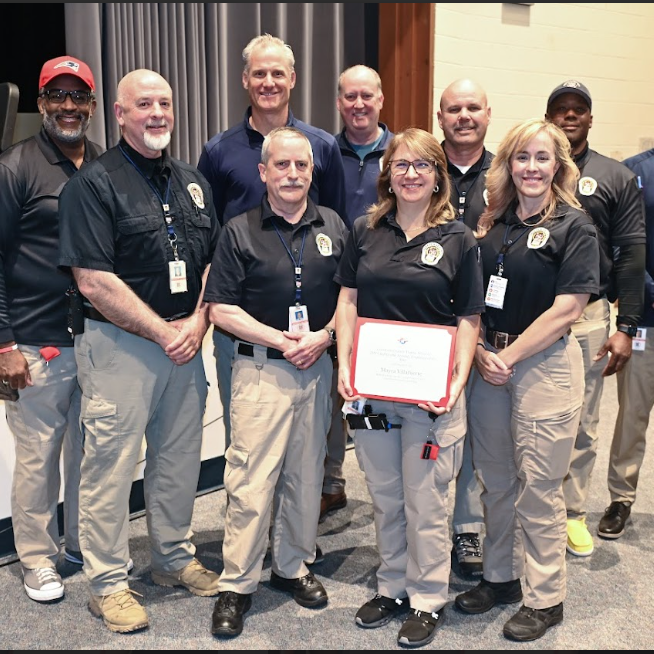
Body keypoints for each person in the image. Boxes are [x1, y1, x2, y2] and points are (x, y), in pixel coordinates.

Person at [57, 69, 221, 633]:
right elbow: (92, 280)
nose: (157, 113)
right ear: (120, 114)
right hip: (121, 346)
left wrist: (197, 322)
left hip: (185, 343)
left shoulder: (193, 181)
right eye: (143, 104)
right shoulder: (93, 184)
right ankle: (108, 585)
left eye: (165, 104)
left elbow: (210, 263)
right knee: (109, 467)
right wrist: (163, 330)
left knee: (178, 461)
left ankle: (173, 559)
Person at [335, 127, 484, 648]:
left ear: (437, 176)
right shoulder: (364, 231)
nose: (412, 174)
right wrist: (343, 366)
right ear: (387, 174)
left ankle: (426, 596)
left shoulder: (458, 238)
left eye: (423, 165)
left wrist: (454, 383)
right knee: (385, 494)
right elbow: (349, 301)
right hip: (372, 394)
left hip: (430, 398)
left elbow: (469, 318)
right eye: (402, 164)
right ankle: (392, 584)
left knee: (426, 500)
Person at [454, 118, 600, 642]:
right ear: (508, 163)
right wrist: (484, 355)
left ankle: (546, 598)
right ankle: (501, 577)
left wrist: (508, 354)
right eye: (522, 157)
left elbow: (568, 309)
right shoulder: (493, 221)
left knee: (539, 486)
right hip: (491, 364)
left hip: (542, 366)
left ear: (558, 165)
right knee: (496, 480)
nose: (531, 167)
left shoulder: (575, 227)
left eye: (542, 158)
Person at [205, 127, 347, 639]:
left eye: (301, 166)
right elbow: (220, 308)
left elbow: (349, 301)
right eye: (281, 166)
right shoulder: (238, 230)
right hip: (262, 368)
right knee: (250, 479)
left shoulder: (332, 224)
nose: (292, 175)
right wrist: (284, 340)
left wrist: (325, 337)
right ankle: (236, 584)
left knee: (306, 475)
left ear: (313, 172)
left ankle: (293, 567)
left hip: (317, 367)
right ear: (263, 172)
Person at [198, 34, 346, 471]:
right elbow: (208, 231)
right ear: (245, 80)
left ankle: (299, 532)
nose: (268, 82)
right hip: (241, 328)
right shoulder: (217, 151)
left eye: (277, 73)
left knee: (307, 446)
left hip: (312, 335)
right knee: (245, 444)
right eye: (259, 73)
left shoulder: (320, 146)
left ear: (292, 79)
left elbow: (333, 223)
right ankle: (251, 532)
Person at [0, 56, 102, 603]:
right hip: (36, 341)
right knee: (38, 458)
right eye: (56, 96)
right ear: (40, 103)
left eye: (77, 97)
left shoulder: (105, 166)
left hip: (97, 339)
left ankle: (77, 544)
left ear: (90, 104)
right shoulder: (14, 167)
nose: (68, 106)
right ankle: (36, 559)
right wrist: (4, 343)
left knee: (88, 452)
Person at [545, 80, 646, 557]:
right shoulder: (529, 166)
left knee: (582, 422)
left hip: (588, 318)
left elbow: (630, 255)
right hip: (534, 318)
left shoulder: (614, 175)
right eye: (560, 109)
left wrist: (626, 326)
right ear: (548, 118)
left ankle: (571, 513)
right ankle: (527, 509)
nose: (569, 116)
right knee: (526, 418)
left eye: (578, 109)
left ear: (590, 118)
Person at [319, 64, 393, 523]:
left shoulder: (402, 149)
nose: (359, 104)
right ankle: (332, 480)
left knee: (377, 389)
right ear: (340, 101)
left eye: (367, 95)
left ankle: (380, 473)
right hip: (338, 291)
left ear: (381, 99)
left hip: (388, 293)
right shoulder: (325, 153)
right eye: (349, 96)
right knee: (335, 392)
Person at [436, 77, 493, 577]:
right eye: (454, 108)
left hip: (485, 325)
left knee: (473, 436)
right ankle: (426, 527)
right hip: (429, 330)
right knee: (432, 434)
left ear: (487, 115)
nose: (464, 116)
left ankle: (468, 531)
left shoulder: (507, 174)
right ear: (441, 118)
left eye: (473, 107)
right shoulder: (423, 170)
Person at [597, 149, 653, 539]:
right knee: (633, 412)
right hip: (647, 316)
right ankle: (622, 497)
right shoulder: (635, 171)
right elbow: (627, 247)